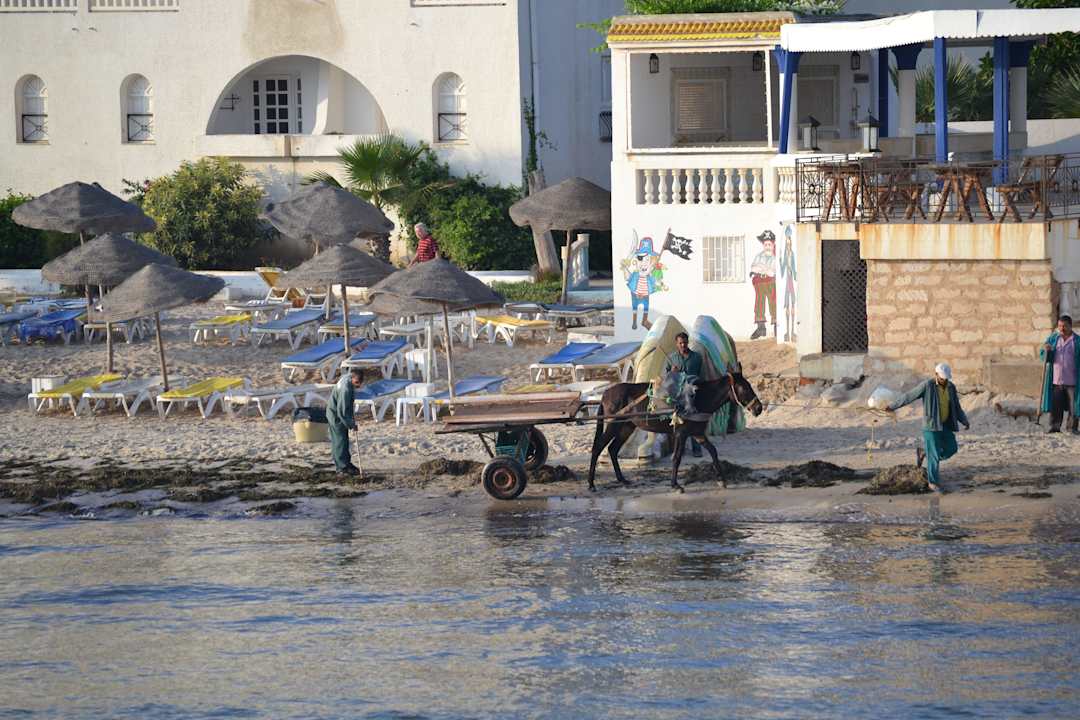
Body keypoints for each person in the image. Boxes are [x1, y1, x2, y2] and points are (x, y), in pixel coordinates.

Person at [887, 363, 970, 493]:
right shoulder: (927, 385)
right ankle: (933, 483)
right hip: (931, 426)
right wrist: (892, 406)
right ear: (936, 374)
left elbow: (956, 407)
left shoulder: (951, 387)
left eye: (946, 378)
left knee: (952, 448)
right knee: (935, 455)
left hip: (945, 425)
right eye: (942, 377)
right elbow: (909, 396)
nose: (944, 380)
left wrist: (964, 420)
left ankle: (925, 452)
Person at [665, 332, 704, 457]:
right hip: (677, 394)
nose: (683, 345)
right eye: (680, 343)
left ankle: (696, 448)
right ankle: (676, 450)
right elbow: (666, 377)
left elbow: (700, 375)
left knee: (694, 420)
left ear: (688, 342)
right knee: (676, 421)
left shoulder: (697, 357)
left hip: (692, 392)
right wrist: (672, 372)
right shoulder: (671, 358)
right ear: (677, 344)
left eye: (685, 343)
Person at [1041, 314, 1079, 435]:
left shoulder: (1077, 341)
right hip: (1057, 380)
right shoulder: (1053, 339)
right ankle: (1055, 426)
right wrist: (1046, 351)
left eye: (1064, 326)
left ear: (1070, 326)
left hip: (1072, 380)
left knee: (1074, 406)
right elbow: (1044, 356)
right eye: (1060, 326)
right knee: (1056, 406)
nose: (1061, 329)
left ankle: (1072, 427)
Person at [327, 368, 366, 475]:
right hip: (336, 416)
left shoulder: (347, 377)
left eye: (360, 383)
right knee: (340, 440)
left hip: (337, 412)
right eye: (357, 383)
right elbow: (341, 412)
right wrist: (351, 424)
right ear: (352, 378)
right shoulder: (346, 389)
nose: (358, 385)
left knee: (343, 439)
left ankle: (346, 463)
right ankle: (342, 467)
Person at [749, 230, 777, 340]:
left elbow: (772, 271)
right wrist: (764, 269)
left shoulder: (775, 257)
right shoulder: (759, 256)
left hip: (770, 282)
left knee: (773, 303)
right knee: (759, 303)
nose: (767, 247)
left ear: (773, 244)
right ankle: (761, 328)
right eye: (765, 244)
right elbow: (754, 268)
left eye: (769, 244)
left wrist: (762, 268)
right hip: (759, 282)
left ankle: (776, 327)